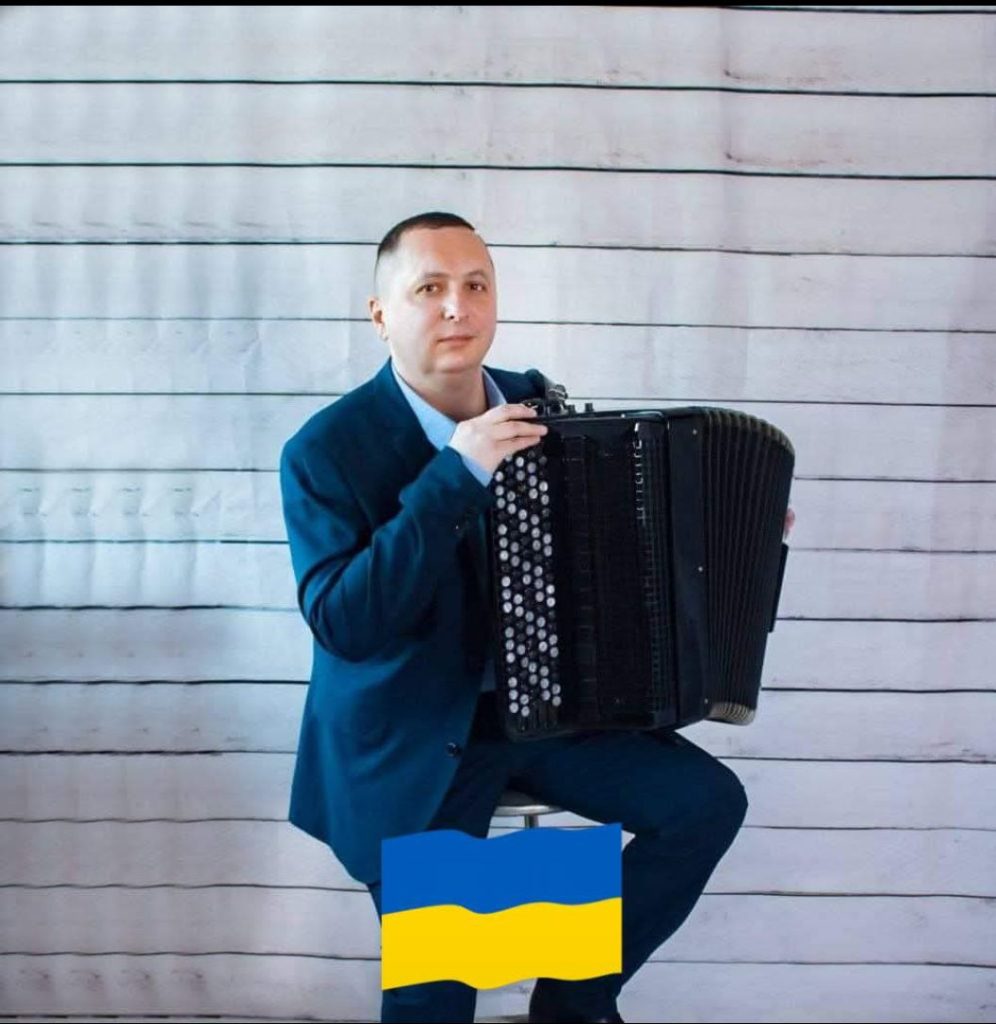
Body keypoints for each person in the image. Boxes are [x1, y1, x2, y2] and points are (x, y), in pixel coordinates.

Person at [279, 212, 794, 1024]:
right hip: (413, 739)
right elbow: (347, 623)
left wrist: (729, 534)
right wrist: (456, 472)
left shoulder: (533, 401)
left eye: (476, 285)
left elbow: (603, 544)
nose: (458, 306)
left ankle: (573, 998)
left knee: (704, 804)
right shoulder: (325, 451)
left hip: (544, 709)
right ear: (380, 314)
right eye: (429, 288)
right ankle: (519, 962)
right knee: (436, 999)